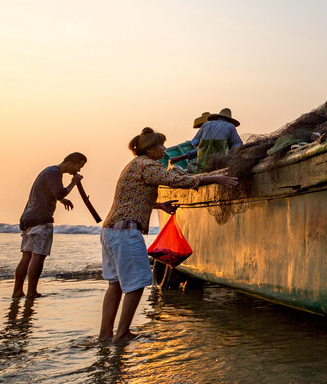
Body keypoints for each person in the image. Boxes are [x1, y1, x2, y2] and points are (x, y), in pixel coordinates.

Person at [99, 127, 237, 343]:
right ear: (150, 148)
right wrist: (214, 179)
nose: (165, 150)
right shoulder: (148, 165)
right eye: (161, 146)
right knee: (136, 285)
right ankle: (122, 334)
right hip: (126, 232)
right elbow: (176, 180)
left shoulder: (134, 165)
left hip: (110, 231)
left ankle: (105, 334)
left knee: (115, 284)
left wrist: (158, 205)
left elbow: (131, 198)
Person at [13, 152, 87, 298]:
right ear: (71, 162)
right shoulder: (55, 173)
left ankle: (18, 291)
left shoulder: (49, 171)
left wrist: (61, 200)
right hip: (41, 219)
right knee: (38, 256)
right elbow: (59, 193)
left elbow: (50, 192)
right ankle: (31, 292)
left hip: (28, 218)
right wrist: (74, 182)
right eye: (79, 166)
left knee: (26, 256)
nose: (78, 171)